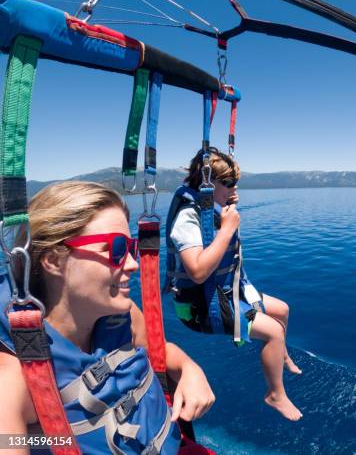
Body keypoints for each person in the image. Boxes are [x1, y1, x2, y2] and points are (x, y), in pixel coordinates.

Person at [0, 181, 215, 454]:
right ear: (54, 261)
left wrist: (189, 369)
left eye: (130, 248)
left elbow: (161, 352)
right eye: (115, 250)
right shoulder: (11, 381)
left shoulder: (119, 316)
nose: (133, 264)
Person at [167, 148, 303, 421]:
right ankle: (275, 394)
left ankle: (281, 355)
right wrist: (228, 228)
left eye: (235, 182)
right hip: (200, 308)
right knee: (274, 331)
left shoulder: (211, 210)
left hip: (224, 294)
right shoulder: (188, 218)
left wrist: (226, 209)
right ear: (206, 184)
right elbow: (196, 271)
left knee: (283, 310)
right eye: (227, 183)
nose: (234, 188)